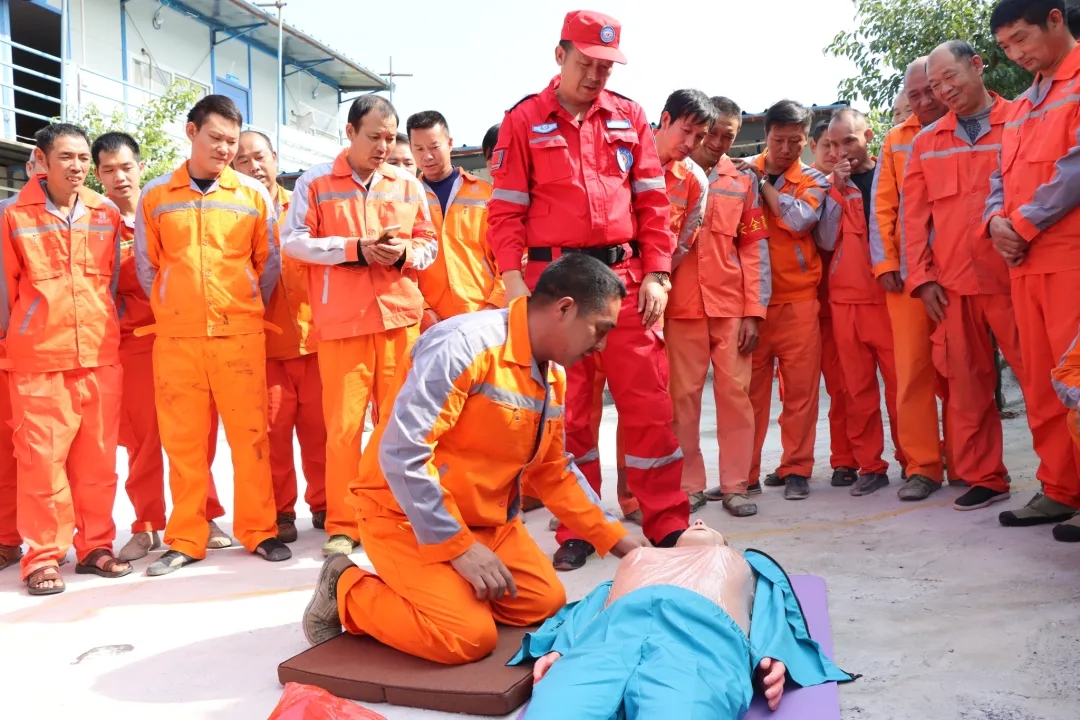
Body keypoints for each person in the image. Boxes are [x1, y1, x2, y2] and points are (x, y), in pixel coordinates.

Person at [301, 255, 650, 665]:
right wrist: (459, 548)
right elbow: (402, 453)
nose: (602, 345)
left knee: (544, 603)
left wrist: (619, 541)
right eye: (600, 329)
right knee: (467, 638)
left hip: (486, 523)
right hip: (404, 516)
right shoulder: (463, 346)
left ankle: (447, 592)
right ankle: (345, 587)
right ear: (565, 309)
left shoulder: (552, 376)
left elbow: (552, 471)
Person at [487, 10, 689, 571]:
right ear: (560, 56)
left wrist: (659, 273)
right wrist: (512, 280)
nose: (597, 75)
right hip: (557, 287)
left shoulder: (630, 117)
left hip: (626, 284)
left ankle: (666, 520)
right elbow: (506, 212)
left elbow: (653, 203)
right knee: (568, 412)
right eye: (586, 63)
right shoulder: (525, 120)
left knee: (649, 406)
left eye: (606, 66)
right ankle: (579, 526)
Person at [135, 95, 288, 575]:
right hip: (177, 339)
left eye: (231, 141)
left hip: (239, 335)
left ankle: (259, 530)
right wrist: (175, 303)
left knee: (251, 439)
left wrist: (239, 302)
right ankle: (185, 537)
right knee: (183, 444)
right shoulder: (157, 196)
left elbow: (268, 265)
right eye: (215, 138)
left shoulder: (252, 195)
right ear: (191, 132)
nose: (225, 149)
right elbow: (147, 266)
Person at [282, 95, 438, 557]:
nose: (383, 147)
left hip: (399, 319)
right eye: (374, 137)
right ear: (349, 132)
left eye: (389, 138)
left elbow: (429, 243)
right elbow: (294, 242)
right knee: (345, 429)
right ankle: (344, 523)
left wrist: (405, 253)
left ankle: (394, 515)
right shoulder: (314, 182)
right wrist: (353, 249)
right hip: (343, 324)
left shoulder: (407, 184)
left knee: (400, 426)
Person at [511, 519, 855, 719]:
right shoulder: (640, 557)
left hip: (698, 644)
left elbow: (772, 608)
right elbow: (593, 604)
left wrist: (773, 654)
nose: (699, 522)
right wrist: (563, 647)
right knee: (557, 711)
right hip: (607, 640)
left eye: (710, 526)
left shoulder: (742, 564)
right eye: (693, 523)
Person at [1, 123, 129, 594]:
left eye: (82, 158)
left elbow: (110, 282)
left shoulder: (105, 212)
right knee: (41, 464)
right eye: (66, 157)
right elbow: (5, 291)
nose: (77, 167)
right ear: (41, 160)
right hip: (38, 360)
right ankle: (42, 557)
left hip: (99, 355)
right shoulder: (13, 214)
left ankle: (95, 546)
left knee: (97, 463)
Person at [94, 132, 232, 562]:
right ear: (98, 175)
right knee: (143, 439)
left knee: (196, 432)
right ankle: (147, 524)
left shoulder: (165, 207)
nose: (119, 177)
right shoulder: (99, 223)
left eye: (126, 167)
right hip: (133, 344)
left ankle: (203, 515)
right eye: (108, 170)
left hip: (182, 334)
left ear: (140, 167)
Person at [903, 42, 1028, 511]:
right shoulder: (926, 142)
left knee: (1042, 381)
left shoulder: (1021, 121)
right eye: (935, 85)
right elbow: (913, 220)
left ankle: (1064, 480)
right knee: (966, 386)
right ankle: (985, 477)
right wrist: (922, 278)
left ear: (977, 65)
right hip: (953, 286)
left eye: (950, 77)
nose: (944, 91)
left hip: (1016, 278)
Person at [987, 0, 1080, 535]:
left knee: (1076, 381)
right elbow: (999, 177)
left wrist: (1019, 224)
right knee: (1042, 385)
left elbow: (1074, 170)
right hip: (1024, 265)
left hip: (1069, 260)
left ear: (1055, 19)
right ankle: (1060, 488)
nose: (1016, 54)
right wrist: (995, 222)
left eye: (1021, 38)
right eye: (1006, 47)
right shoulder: (1022, 106)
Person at [667, 95, 769, 518]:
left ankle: (735, 486)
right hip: (680, 307)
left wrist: (754, 312)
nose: (719, 142)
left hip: (731, 308)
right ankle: (689, 486)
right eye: (713, 133)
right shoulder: (670, 176)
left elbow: (755, 249)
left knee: (736, 397)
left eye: (729, 136)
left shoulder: (743, 183)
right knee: (682, 399)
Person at [233, 129, 327, 543]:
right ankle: (281, 511)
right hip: (265, 347)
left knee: (321, 432)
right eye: (242, 160)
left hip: (316, 340)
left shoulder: (305, 205)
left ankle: (326, 503)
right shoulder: (236, 214)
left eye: (260, 157)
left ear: (275, 158)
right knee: (272, 436)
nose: (254, 166)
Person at [869, 57, 954, 502]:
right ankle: (923, 466)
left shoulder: (969, 128)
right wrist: (886, 264)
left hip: (959, 272)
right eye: (914, 94)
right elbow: (882, 206)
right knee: (913, 373)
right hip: (906, 278)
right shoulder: (896, 140)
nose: (924, 101)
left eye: (930, 91)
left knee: (962, 372)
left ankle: (968, 462)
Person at [745, 100, 836, 501]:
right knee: (748, 397)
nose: (785, 149)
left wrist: (764, 184)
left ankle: (796, 468)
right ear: (766, 135)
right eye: (778, 140)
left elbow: (799, 221)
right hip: (753, 306)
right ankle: (743, 475)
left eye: (794, 141)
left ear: (806, 140)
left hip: (799, 302)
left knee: (800, 393)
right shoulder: (739, 174)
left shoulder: (814, 180)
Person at [825, 108, 906, 496]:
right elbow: (825, 240)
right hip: (845, 300)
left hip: (890, 297)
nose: (842, 152)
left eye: (849, 141)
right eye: (834, 144)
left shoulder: (890, 174)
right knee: (856, 389)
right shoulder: (831, 186)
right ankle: (870, 466)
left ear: (868, 136)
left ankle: (915, 461)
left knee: (901, 386)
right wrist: (837, 191)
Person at [407, 110, 504, 333]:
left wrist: (495, 304)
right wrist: (423, 310)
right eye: (419, 149)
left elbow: (508, 255)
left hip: (485, 315)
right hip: (429, 323)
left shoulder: (486, 194)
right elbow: (402, 266)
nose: (427, 156)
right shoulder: (407, 199)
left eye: (434, 147)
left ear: (450, 143)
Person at [807, 120, 859, 490]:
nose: (834, 153)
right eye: (827, 145)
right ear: (812, 146)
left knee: (845, 387)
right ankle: (794, 465)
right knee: (799, 394)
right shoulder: (801, 185)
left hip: (843, 303)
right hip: (803, 305)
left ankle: (847, 460)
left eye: (840, 145)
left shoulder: (857, 185)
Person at [0, 151, 40, 573]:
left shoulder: (82, 215)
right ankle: (8, 538)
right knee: (6, 454)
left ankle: (65, 541)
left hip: (26, 350)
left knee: (40, 451)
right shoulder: (5, 212)